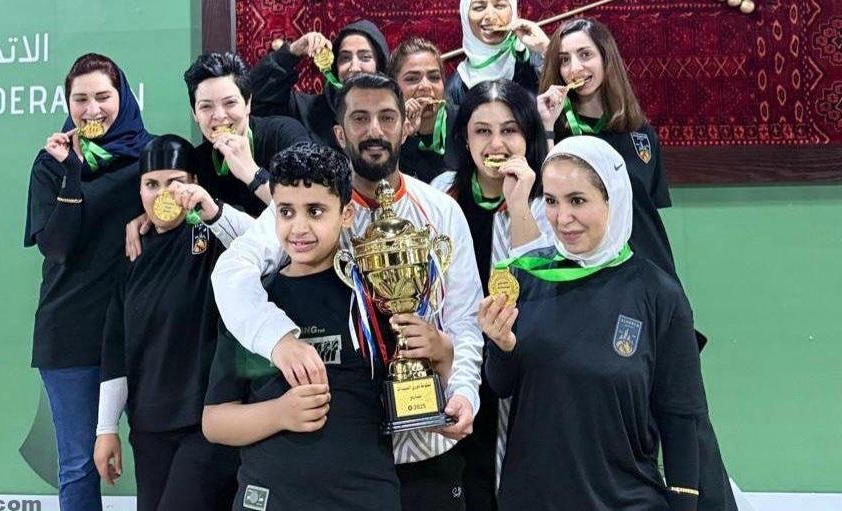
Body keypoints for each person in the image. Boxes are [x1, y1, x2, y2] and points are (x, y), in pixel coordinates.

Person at [210, 73, 484, 511]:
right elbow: (232, 272)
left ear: (406, 127)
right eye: (360, 118)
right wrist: (278, 340)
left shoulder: (442, 211)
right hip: (345, 458)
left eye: (387, 117)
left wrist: (463, 392)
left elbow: (464, 321)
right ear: (340, 133)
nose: (374, 129)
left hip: (428, 442)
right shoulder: (311, 205)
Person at [537, 18, 737, 509]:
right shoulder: (553, 131)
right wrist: (545, 127)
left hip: (653, 285)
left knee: (686, 415)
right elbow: (546, 205)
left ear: (607, 60)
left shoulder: (640, 134)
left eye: (585, 55)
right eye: (564, 59)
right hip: (593, 289)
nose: (575, 67)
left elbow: (648, 213)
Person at [480, 136, 707, 511]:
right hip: (531, 500)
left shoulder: (658, 295)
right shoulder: (529, 276)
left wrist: (683, 506)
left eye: (577, 200)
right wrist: (501, 347)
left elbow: (680, 418)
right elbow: (501, 386)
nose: (561, 218)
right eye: (551, 201)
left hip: (625, 501)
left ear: (612, 199)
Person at [202, 142, 400, 511]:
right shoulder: (251, 303)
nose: (299, 227)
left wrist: (441, 354)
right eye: (286, 211)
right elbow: (215, 421)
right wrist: (279, 413)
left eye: (315, 211)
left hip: (362, 497)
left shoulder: (374, 296)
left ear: (346, 214)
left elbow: (416, 396)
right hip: (269, 499)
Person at [23, 53, 153, 511]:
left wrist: (146, 217)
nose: (92, 109)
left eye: (103, 96)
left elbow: (177, 213)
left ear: (124, 97)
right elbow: (57, 247)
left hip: (140, 327)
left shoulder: (151, 156)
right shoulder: (51, 163)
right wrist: (72, 172)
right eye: (80, 99)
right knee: (79, 465)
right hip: (71, 331)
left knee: (157, 450)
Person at [93, 134, 251, 510]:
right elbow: (116, 345)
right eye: (152, 184)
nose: (163, 194)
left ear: (194, 184)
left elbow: (267, 244)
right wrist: (106, 428)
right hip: (148, 425)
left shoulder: (212, 238)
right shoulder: (133, 253)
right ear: (140, 191)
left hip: (207, 423)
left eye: (175, 182)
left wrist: (212, 210)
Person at [431, 79, 550, 510]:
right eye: (482, 131)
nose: (496, 143)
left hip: (518, 361)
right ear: (465, 138)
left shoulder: (546, 201)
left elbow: (540, 290)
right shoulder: (442, 192)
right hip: (453, 358)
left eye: (509, 130)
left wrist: (518, 204)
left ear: (528, 136)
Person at [125, 52, 310, 261]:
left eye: (230, 103)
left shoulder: (283, 135)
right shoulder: (198, 161)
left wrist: (252, 173)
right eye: (206, 106)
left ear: (248, 103)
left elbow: (309, 207)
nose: (220, 116)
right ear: (194, 113)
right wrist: (152, 216)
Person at [249, 19, 390, 149]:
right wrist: (291, 53)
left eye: (365, 57)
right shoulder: (309, 112)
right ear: (335, 68)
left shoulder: (393, 118)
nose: (354, 67)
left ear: (380, 67)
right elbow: (254, 101)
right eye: (345, 58)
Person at [445, 0, 548, 107]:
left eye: (500, 6)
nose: (491, 15)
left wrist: (546, 48)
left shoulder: (535, 60)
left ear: (513, 11)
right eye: (479, 8)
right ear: (465, 17)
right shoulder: (455, 88)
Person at [389, 37, 459, 183]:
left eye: (434, 77)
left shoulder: (464, 123)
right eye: (412, 79)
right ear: (394, 87)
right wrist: (403, 135)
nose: (425, 86)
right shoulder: (385, 132)